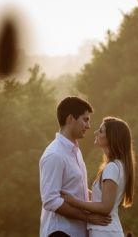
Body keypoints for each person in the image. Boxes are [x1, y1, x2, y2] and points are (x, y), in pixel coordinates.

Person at [40, 97, 113, 237]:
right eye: (85, 120)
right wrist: (86, 217)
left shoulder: (74, 150)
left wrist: (106, 199)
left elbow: (74, 188)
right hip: (61, 232)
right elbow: (50, 201)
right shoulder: (54, 154)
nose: (89, 126)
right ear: (70, 119)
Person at [60, 116, 136, 237]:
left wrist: (75, 202)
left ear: (112, 138)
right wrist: (76, 189)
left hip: (105, 231)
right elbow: (101, 197)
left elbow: (105, 207)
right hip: (104, 230)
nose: (95, 132)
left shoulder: (112, 167)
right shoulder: (118, 165)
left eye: (100, 131)